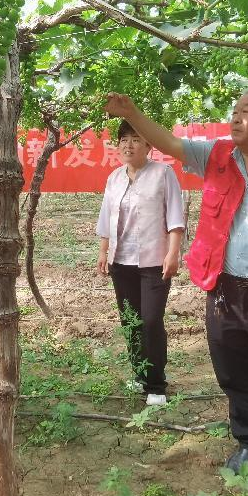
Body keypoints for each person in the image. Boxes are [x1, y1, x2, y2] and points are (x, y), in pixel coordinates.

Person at [105, 87, 248, 494]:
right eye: (234, 111)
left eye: (246, 111)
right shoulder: (216, 156)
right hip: (224, 290)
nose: (235, 118)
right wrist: (133, 113)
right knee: (234, 374)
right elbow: (170, 143)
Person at [96, 120, 185, 406]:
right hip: (121, 261)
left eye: (136, 139)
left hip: (154, 261)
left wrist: (173, 253)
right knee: (130, 319)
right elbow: (106, 218)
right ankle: (139, 372)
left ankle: (156, 384)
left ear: (148, 145)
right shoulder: (114, 178)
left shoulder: (163, 174)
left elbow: (175, 217)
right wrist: (103, 251)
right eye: (124, 139)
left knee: (151, 320)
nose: (129, 145)